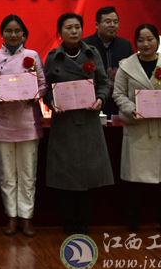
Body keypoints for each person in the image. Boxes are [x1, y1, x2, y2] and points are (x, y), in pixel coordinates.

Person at [44, 12, 114, 235]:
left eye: (77, 27)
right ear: (60, 32)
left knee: (87, 173)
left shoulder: (92, 53)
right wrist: (51, 102)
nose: (73, 31)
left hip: (88, 121)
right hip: (64, 123)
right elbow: (45, 88)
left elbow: (104, 83)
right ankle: (68, 220)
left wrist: (100, 99)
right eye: (68, 28)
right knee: (66, 174)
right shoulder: (53, 57)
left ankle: (84, 220)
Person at [113, 24, 161, 234]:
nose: (146, 44)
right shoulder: (126, 66)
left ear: (157, 40)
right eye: (141, 40)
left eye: (150, 39)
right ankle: (133, 220)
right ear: (135, 42)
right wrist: (131, 109)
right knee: (135, 182)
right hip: (138, 129)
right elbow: (118, 94)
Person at [0, 15, 46, 237]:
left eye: (17, 31)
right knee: (7, 175)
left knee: (28, 174)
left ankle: (26, 218)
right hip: (3, 123)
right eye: (9, 31)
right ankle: (11, 217)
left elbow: (43, 85)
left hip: (27, 122)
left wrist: (33, 95)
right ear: (2, 34)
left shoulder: (32, 56)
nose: (13, 34)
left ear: (24, 34)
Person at [83, 6, 133, 117]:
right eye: (108, 21)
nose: (112, 25)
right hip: (93, 101)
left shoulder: (125, 46)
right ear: (97, 25)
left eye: (115, 22)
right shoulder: (85, 45)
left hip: (119, 102)